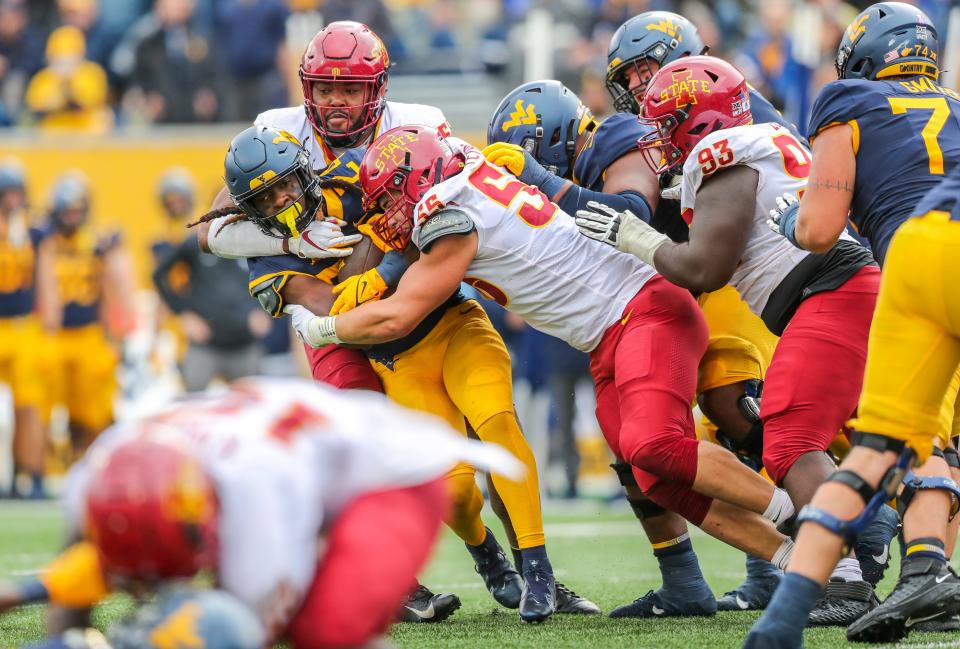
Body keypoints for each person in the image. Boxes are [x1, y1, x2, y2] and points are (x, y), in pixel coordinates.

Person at [196, 22, 599, 621]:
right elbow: (214, 231)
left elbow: (439, 214)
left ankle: (536, 571)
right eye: (324, 89)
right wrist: (302, 238)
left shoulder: (418, 122)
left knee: (490, 427)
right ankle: (414, 578)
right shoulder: (274, 140)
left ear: (377, 90)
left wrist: (375, 258)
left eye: (349, 89)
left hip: (423, 301)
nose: (335, 102)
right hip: (348, 323)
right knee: (367, 443)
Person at [288, 124, 804, 572]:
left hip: (643, 311)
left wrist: (321, 330)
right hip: (609, 336)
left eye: (389, 199)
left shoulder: (452, 215)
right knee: (654, 477)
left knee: (654, 445)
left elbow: (397, 316)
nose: (385, 216)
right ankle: (797, 560)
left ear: (418, 182)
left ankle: (803, 514)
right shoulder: (467, 169)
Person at [0, 377, 524, 648]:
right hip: (291, 460)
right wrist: (34, 594)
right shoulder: (101, 472)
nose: (140, 591)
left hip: (390, 476)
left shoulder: (257, 497)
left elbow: (237, 632)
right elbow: (86, 575)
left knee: (326, 631)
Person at [747, 4, 960, 645]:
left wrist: (789, 219)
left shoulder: (849, 98)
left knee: (889, 442)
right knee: (935, 442)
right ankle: (927, 567)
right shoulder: (953, 102)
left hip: (927, 255)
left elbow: (817, 229)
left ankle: (784, 623)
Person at [39, 172, 133, 458]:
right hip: (52, 334)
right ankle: (46, 465)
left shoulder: (95, 242)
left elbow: (113, 288)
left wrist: (115, 330)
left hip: (89, 331)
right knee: (45, 406)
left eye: (77, 210)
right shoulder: (44, 242)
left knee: (94, 409)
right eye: (67, 210)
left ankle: (91, 461)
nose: (72, 216)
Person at [0, 160, 52, 498]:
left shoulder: (33, 230)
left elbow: (45, 278)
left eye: (18, 193)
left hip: (22, 325)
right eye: (9, 193)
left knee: (30, 404)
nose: (14, 200)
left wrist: (50, 315)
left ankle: (30, 474)